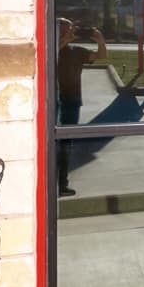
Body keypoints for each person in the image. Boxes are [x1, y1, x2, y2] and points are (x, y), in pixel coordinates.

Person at [56, 18, 107, 197]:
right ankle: (50, 182)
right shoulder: (50, 50)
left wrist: (100, 41)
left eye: (70, 29)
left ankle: (62, 184)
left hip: (72, 101)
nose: (69, 32)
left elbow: (100, 56)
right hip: (54, 102)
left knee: (66, 144)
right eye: (63, 30)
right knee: (51, 144)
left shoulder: (77, 52)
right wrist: (62, 42)